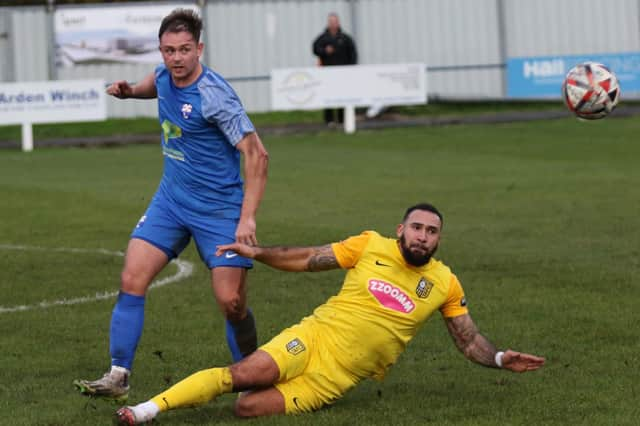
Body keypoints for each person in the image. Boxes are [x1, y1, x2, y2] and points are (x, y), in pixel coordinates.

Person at [113, 203, 545, 424]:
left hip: (335, 380)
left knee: (247, 410)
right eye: (417, 227)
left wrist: (502, 359)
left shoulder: (445, 283)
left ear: (438, 240)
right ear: (401, 230)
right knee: (242, 374)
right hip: (314, 338)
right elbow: (306, 258)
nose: (423, 237)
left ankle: (255, 389)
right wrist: (257, 252)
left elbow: (468, 339)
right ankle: (146, 411)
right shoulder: (369, 245)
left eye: (432, 232)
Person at [74, 8, 269, 402]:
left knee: (231, 302)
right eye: (168, 51)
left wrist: (247, 217)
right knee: (132, 277)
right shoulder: (164, 74)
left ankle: (252, 373)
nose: (176, 59)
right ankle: (118, 375)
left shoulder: (215, 96)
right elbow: (155, 84)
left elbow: (257, 154)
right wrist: (130, 91)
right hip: (172, 201)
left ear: (199, 48)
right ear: (160, 51)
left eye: (184, 50)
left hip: (219, 209)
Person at [312, 12, 358, 126]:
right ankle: (329, 120)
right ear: (328, 23)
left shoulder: (345, 38)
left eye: (335, 21)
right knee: (327, 97)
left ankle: (342, 120)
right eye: (331, 21)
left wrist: (351, 69)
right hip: (327, 73)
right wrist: (324, 51)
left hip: (343, 73)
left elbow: (353, 54)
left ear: (338, 22)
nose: (333, 24)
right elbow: (315, 49)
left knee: (344, 96)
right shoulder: (323, 38)